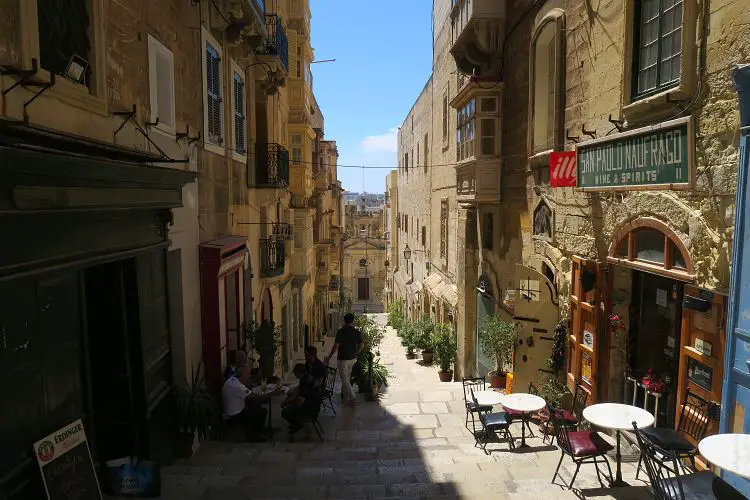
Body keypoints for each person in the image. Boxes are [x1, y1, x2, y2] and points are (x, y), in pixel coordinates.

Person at [221, 365, 268, 441]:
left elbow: (247, 384)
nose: (249, 376)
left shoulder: (232, 380)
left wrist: (256, 379)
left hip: (231, 410)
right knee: (261, 411)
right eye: (247, 374)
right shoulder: (237, 386)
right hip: (235, 414)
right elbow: (256, 397)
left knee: (253, 404)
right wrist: (273, 393)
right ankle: (255, 436)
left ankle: (255, 431)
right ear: (240, 374)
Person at [324, 313, 362, 406]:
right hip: (352, 358)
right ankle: (344, 393)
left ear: (344, 321)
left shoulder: (341, 331)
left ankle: (352, 397)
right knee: (347, 376)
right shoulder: (356, 331)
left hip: (343, 358)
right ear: (353, 321)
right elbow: (362, 344)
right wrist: (357, 352)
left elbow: (336, 345)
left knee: (344, 378)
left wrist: (330, 356)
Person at [281, 363, 322, 436]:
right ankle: (296, 423)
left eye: (295, 374)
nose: (295, 376)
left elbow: (300, 401)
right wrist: (292, 396)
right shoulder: (308, 376)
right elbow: (298, 389)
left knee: (285, 411)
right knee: (290, 401)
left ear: (298, 373)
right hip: (315, 405)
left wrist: (287, 402)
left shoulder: (305, 382)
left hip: (310, 409)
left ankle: (297, 424)